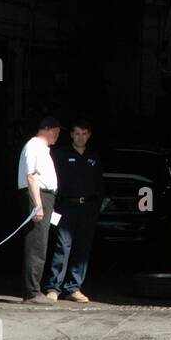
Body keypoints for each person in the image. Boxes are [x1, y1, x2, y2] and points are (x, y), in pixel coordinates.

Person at [43, 120, 104, 303]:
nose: (81, 137)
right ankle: (54, 287)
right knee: (63, 246)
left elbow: (100, 182)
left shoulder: (93, 156)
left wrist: (97, 205)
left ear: (89, 135)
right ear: (71, 134)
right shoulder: (60, 155)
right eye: (77, 133)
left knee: (82, 248)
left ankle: (73, 288)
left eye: (84, 133)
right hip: (66, 207)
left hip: (87, 208)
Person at [18, 116, 61, 304]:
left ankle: (34, 289)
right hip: (39, 196)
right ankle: (32, 292)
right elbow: (31, 176)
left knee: (40, 244)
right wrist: (38, 205)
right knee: (36, 245)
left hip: (45, 196)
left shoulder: (42, 148)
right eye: (57, 131)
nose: (58, 135)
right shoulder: (34, 146)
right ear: (47, 129)